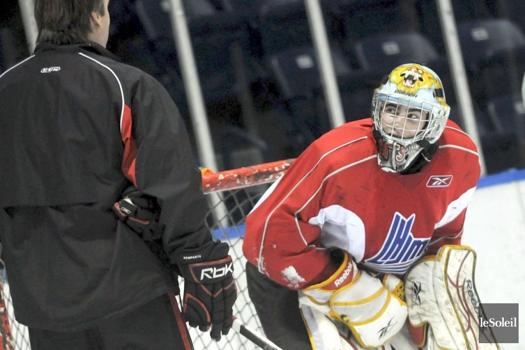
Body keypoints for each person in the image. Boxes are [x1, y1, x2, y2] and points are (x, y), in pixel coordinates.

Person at [0, 0, 236, 349]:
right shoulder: (124, 84)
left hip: (44, 305)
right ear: (95, 15)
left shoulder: (5, 91)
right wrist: (199, 257)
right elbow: (171, 184)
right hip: (131, 295)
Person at [243, 63, 482, 349]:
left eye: (413, 115)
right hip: (293, 279)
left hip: (383, 284)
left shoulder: (460, 157)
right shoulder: (336, 158)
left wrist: (428, 293)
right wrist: (344, 283)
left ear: (435, 122)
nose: (398, 124)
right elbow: (265, 237)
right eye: (392, 110)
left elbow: (443, 236)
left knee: (473, 337)